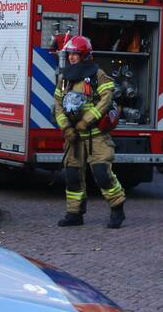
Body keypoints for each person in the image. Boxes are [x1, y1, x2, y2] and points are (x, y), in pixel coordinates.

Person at [53, 36, 125, 229]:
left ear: (84, 55)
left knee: (102, 173)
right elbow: (58, 105)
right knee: (72, 175)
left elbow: (106, 99)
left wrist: (87, 120)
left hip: (96, 136)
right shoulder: (64, 78)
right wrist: (66, 128)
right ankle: (74, 213)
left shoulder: (97, 75)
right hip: (74, 138)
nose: (71, 58)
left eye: (75, 54)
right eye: (69, 54)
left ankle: (117, 207)